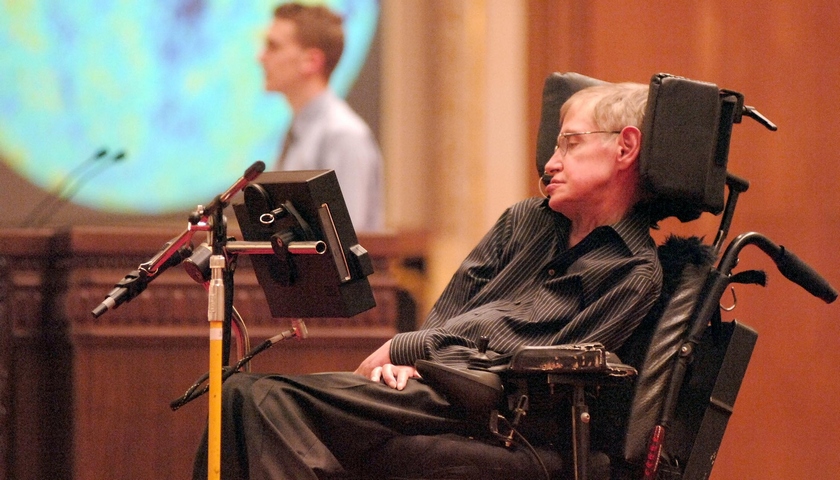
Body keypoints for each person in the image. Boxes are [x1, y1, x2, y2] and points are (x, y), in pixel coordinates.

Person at [193, 81, 663, 479]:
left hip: (493, 410)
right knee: (236, 395)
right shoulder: (525, 220)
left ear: (625, 147)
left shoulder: (634, 272)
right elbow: (451, 308)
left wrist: (414, 350)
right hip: (432, 383)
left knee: (262, 400)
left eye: (570, 144)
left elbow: (536, 373)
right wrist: (412, 359)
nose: (551, 163)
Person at [260, 3, 384, 232]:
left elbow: (346, 240)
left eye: (273, 46)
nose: (261, 57)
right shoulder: (298, 129)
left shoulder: (343, 135)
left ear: (311, 61)